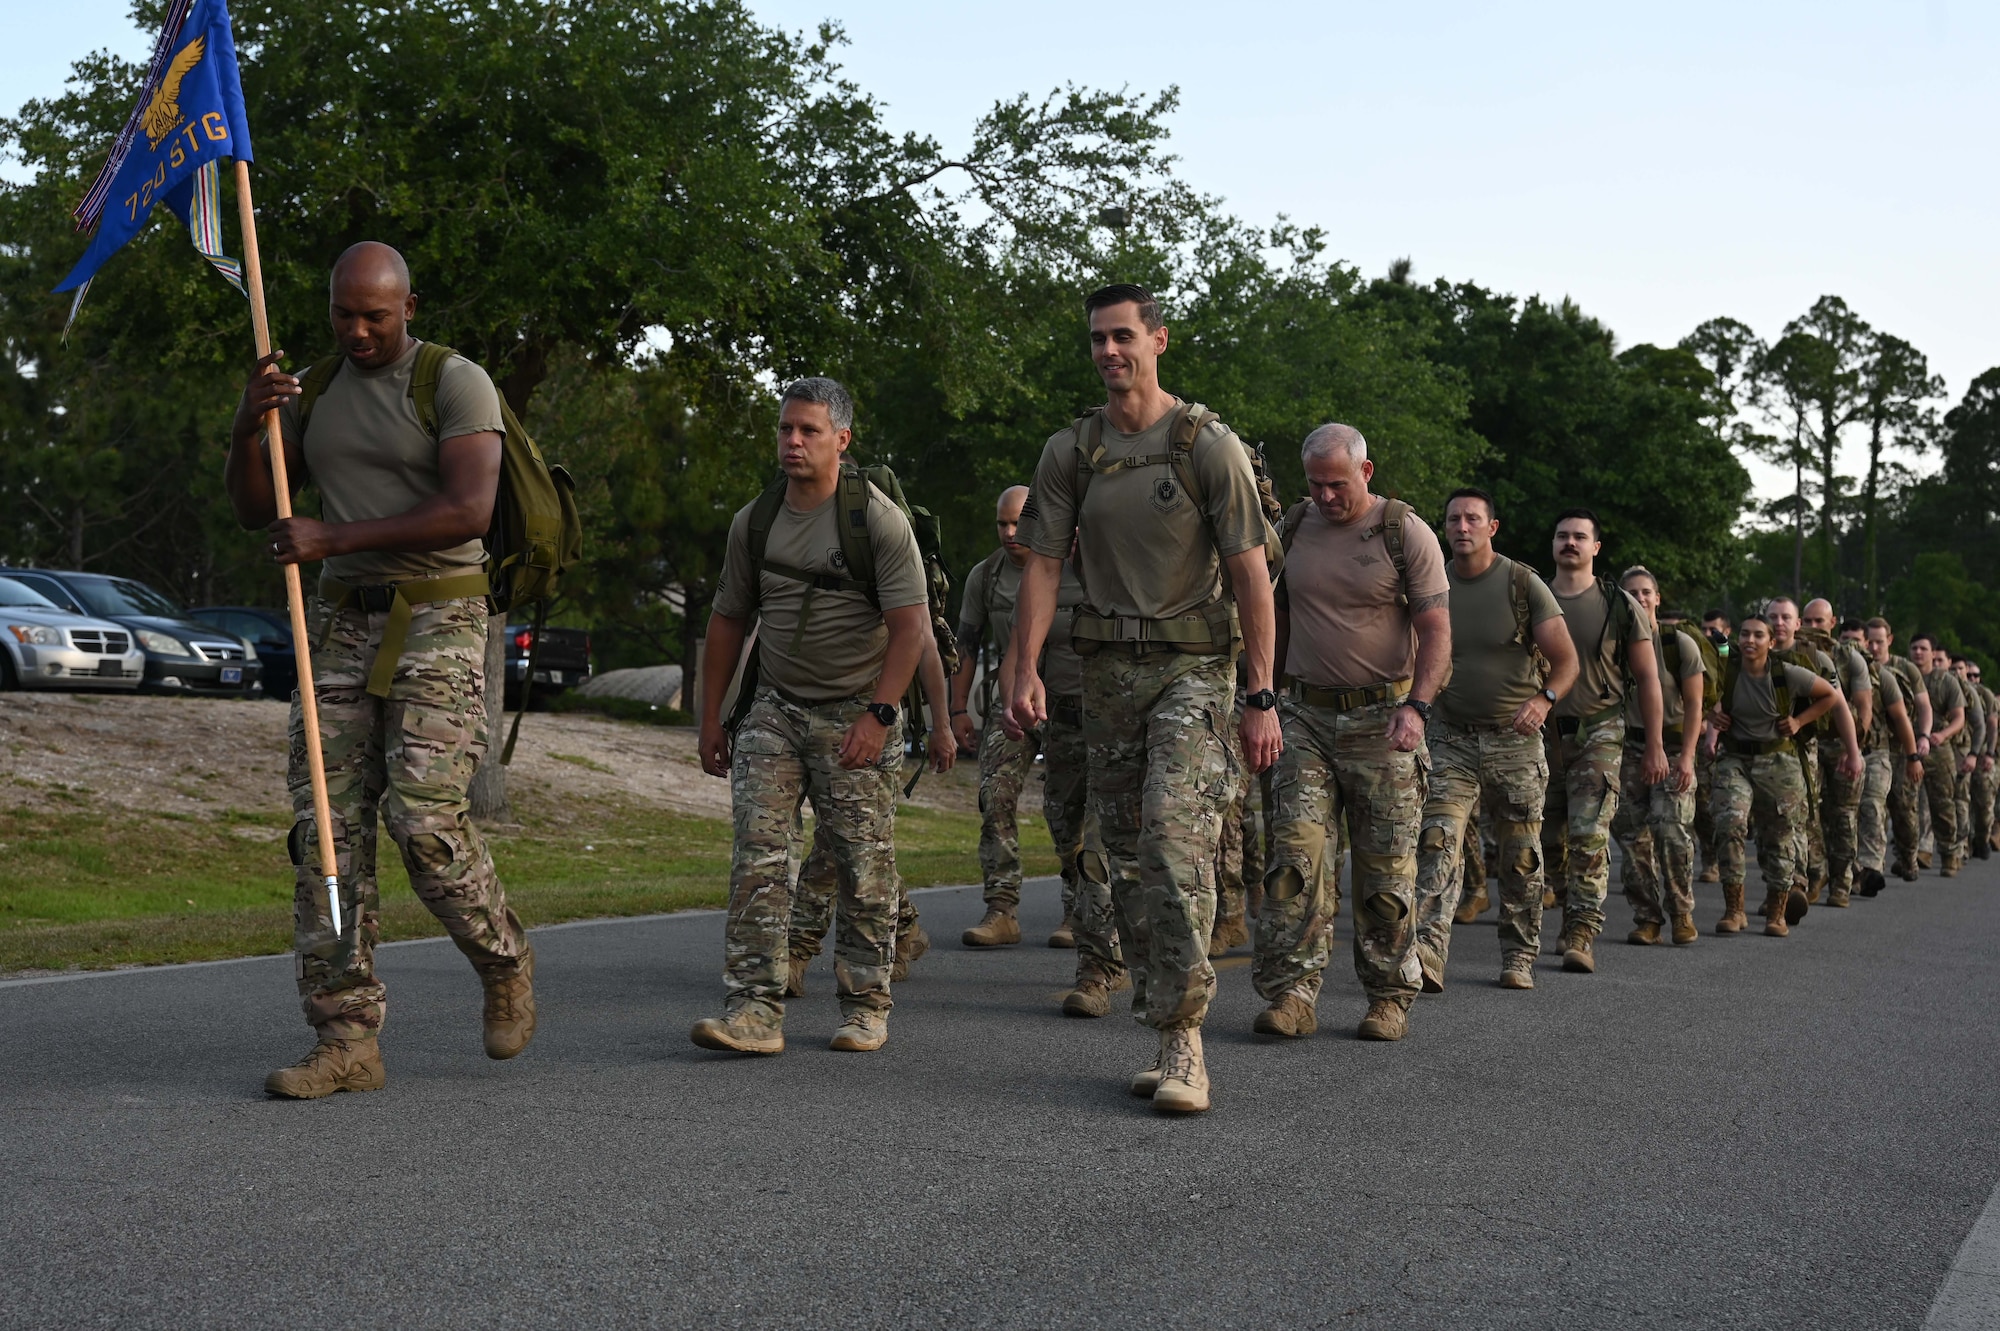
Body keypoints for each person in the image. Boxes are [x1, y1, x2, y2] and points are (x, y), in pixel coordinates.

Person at [227, 241, 534, 1098]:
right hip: (337, 622)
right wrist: (248, 425)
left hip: (440, 610)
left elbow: (466, 507)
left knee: (425, 822)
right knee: (325, 830)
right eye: (343, 314)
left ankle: (503, 955)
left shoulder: (455, 382)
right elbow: (261, 509)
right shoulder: (314, 389)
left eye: (375, 315)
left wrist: (337, 538)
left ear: (409, 306)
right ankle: (346, 1035)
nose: (358, 330)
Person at [1008, 283, 1280, 1115]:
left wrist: (1261, 693)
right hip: (1106, 679)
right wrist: (1023, 668)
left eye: (1124, 335)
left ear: (1159, 340)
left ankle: (1186, 1040)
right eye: (1097, 338)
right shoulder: (1073, 450)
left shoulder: (1206, 444)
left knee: (1170, 838)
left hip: (1193, 670)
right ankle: (1161, 1021)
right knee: (1125, 858)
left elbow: (1249, 574)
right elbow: (1045, 566)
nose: (1109, 351)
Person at [692, 376, 930, 1055]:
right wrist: (711, 719)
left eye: (809, 431)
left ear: (841, 440)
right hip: (775, 709)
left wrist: (880, 716)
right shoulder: (756, 520)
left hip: (858, 710)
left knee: (863, 864)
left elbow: (911, 628)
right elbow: (727, 621)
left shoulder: (877, 520)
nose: (792, 442)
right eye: (785, 429)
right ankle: (753, 1010)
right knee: (758, 857)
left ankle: (864, 1003)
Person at [1248, 423, 1450, 1040]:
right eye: (1315, 483)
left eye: (1337, 484)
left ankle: (1388, 994)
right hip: (1305, 716)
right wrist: (1262, 700)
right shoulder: (1295, 527)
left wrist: (1416, 706)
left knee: (1385, 868)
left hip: (1382, 719)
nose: (1326, 496)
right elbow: (1272, 615)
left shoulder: (1403, 531)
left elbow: (1437, 631)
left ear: (1365, 472)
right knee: (1294, 860)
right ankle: (1293, 992)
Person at [1411, 489, 1579, 991]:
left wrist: (1544, 699)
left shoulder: (1521, 583)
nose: (1462, 527)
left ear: (1492, 527)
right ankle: (1426, 953)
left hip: (1515, 740)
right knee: (1437, 843)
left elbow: (1567, 660)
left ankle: (1520, 955)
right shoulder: (1429, 581)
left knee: (1521, 855)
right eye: (1453, 519)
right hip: (1450, 737)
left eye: (1472, 519)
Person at [949, 486, 1091, 951]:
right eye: (1002, 524)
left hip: (1072, 705)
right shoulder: (986, 576)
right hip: (1010, 703)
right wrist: (955, 711)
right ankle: (1001, 908)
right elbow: (965, 646)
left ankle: (1079, 909)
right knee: (995, 795)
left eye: (1018, 523)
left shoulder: (1077, 567)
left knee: (1067, 813)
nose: (1010, 533)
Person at [784, 631, 955, 993]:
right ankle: (906, 930)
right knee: (852, 843)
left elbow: (923, 641)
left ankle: (796, 952)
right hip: (800, 717)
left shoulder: (895, 573)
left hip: (871, 720)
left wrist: (942, 726)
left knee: (840, 843)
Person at [1541, 510, 1666, 974]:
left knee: (1588, 834)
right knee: (1545, 834)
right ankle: (1560, 902)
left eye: (1579, 537)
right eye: (1562, 536)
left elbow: (1648, 678)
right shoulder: (1532, 596)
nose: (1569, 543)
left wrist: (1653, 743)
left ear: (1596, 547)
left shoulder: (1619, 604)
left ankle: (1581, 930)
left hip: (1601, 728)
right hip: (1540, 732)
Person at [1706, 613, 1860, 937]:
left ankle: (1776, 912)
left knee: (1781, 836)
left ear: (1771, 642)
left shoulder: (1786, 672)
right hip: (1735, 757)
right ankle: (1734, 910)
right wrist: (1713, 716)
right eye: (1745, 634)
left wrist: (1800, 721)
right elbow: (1698, 693)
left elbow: (1830, 696)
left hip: (1778, 761)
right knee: (1729, 824)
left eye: (1758, 635)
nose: (1749, 640)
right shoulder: (1727, 670)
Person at [1611, 569, 1706, 945]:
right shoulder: (1614, 644)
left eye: (1646, 592)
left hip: (1673, 746)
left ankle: (1681, 911)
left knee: (1672, 831)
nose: (1640, 598)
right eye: (1632, 592)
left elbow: (1696, 704)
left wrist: (1687, 757)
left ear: (1658, 597)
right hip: (1627, 749)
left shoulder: (1678, 643)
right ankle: (1647, 916)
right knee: (1631, 837)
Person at [1771, 597, 1859, 907]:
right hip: (1760, 752)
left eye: (1786, 617)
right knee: (1773, 821)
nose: (1779, 623)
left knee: (1805, 815)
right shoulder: (1752, 654)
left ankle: (1828, 882)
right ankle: (1786, 886)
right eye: (1773, 617)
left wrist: (1853, 751)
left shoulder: (1817, 659)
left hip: (1802, 748)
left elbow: (1839, 705)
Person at [1863, 618, 1934, 881]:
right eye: (1869, 641)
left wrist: (1922, 738)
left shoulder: (1904, 669)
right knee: (1871, 806)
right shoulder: (1858, 666)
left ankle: (1908, 857)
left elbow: (1924, 707)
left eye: (1879, 642)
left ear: (1889, 640)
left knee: (1903, 808)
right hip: (1871, 748)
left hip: (1902, 747)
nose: (1874, 647)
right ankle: (1870, 867)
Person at [1910, 633, 1967, 877]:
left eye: (1923, 648)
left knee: (1942, 805)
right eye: (1914, 648)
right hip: (1908, 746)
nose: (1918, 653)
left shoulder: (1946, 681)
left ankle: (1949, 854)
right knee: (1907, 804)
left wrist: (1943, 735)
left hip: (1938, 749)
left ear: (1934, 653)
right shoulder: (1906, 677)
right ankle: (1911, 855)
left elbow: (1959, 718)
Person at [1946, 649, 1984, 867]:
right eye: (1954, 669)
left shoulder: (1973, 693)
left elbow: (1981, 726)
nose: (1958, 673)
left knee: (1960, 799)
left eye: (1961, 669)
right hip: (1940, 749)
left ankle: (1961, 845)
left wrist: (1974, 754)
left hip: (1962, 749)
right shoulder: (1942, 686)